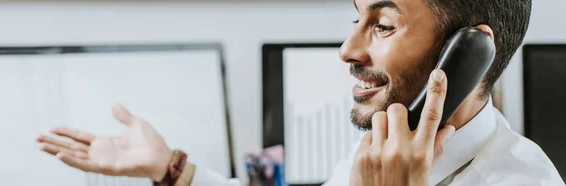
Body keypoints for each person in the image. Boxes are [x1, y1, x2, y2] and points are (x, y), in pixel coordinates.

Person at [36, 0, 565, 185]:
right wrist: (172, 169)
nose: (345, 49)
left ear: (469, 52)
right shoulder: (387, 147)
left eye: (381, 25)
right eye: (355, 18)